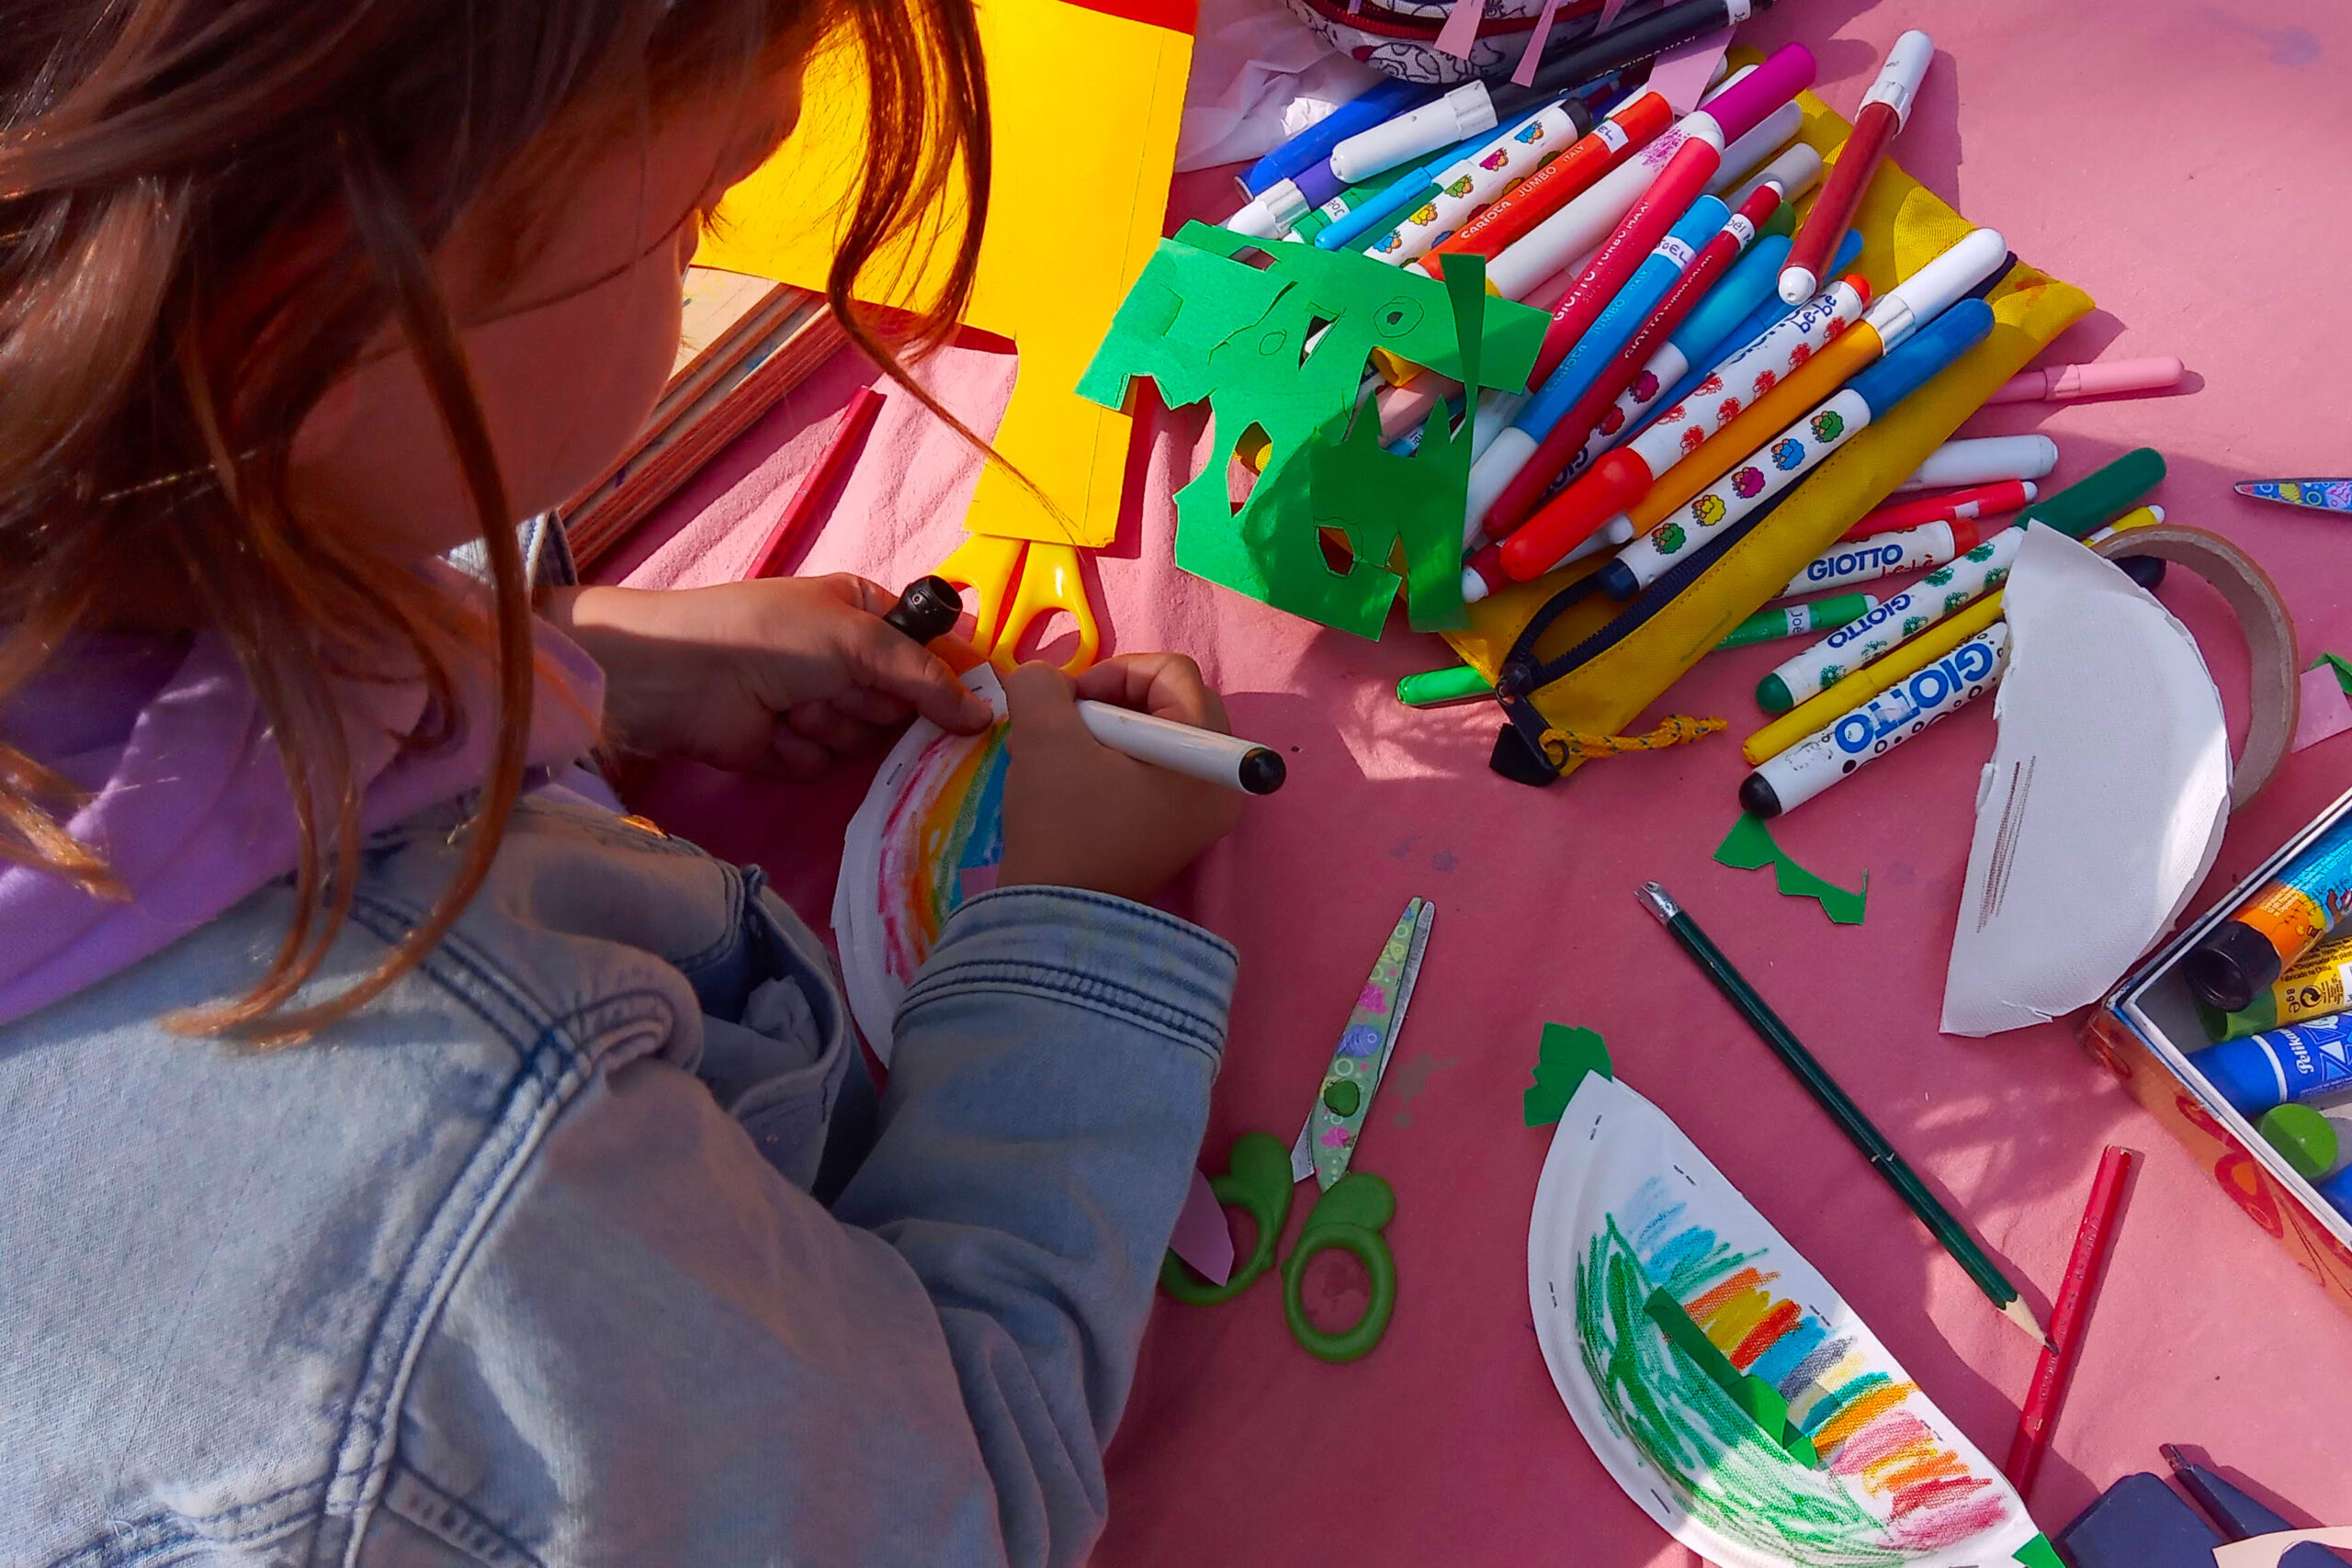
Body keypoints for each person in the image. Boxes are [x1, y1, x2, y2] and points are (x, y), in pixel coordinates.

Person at [0, 1, 1244, 1562]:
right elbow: (950, 1503)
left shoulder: (92, 486)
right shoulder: (454, 1194)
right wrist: (1070, 930)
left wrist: (563, 655)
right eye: (700, 214)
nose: (710, 257)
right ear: (308, 309)